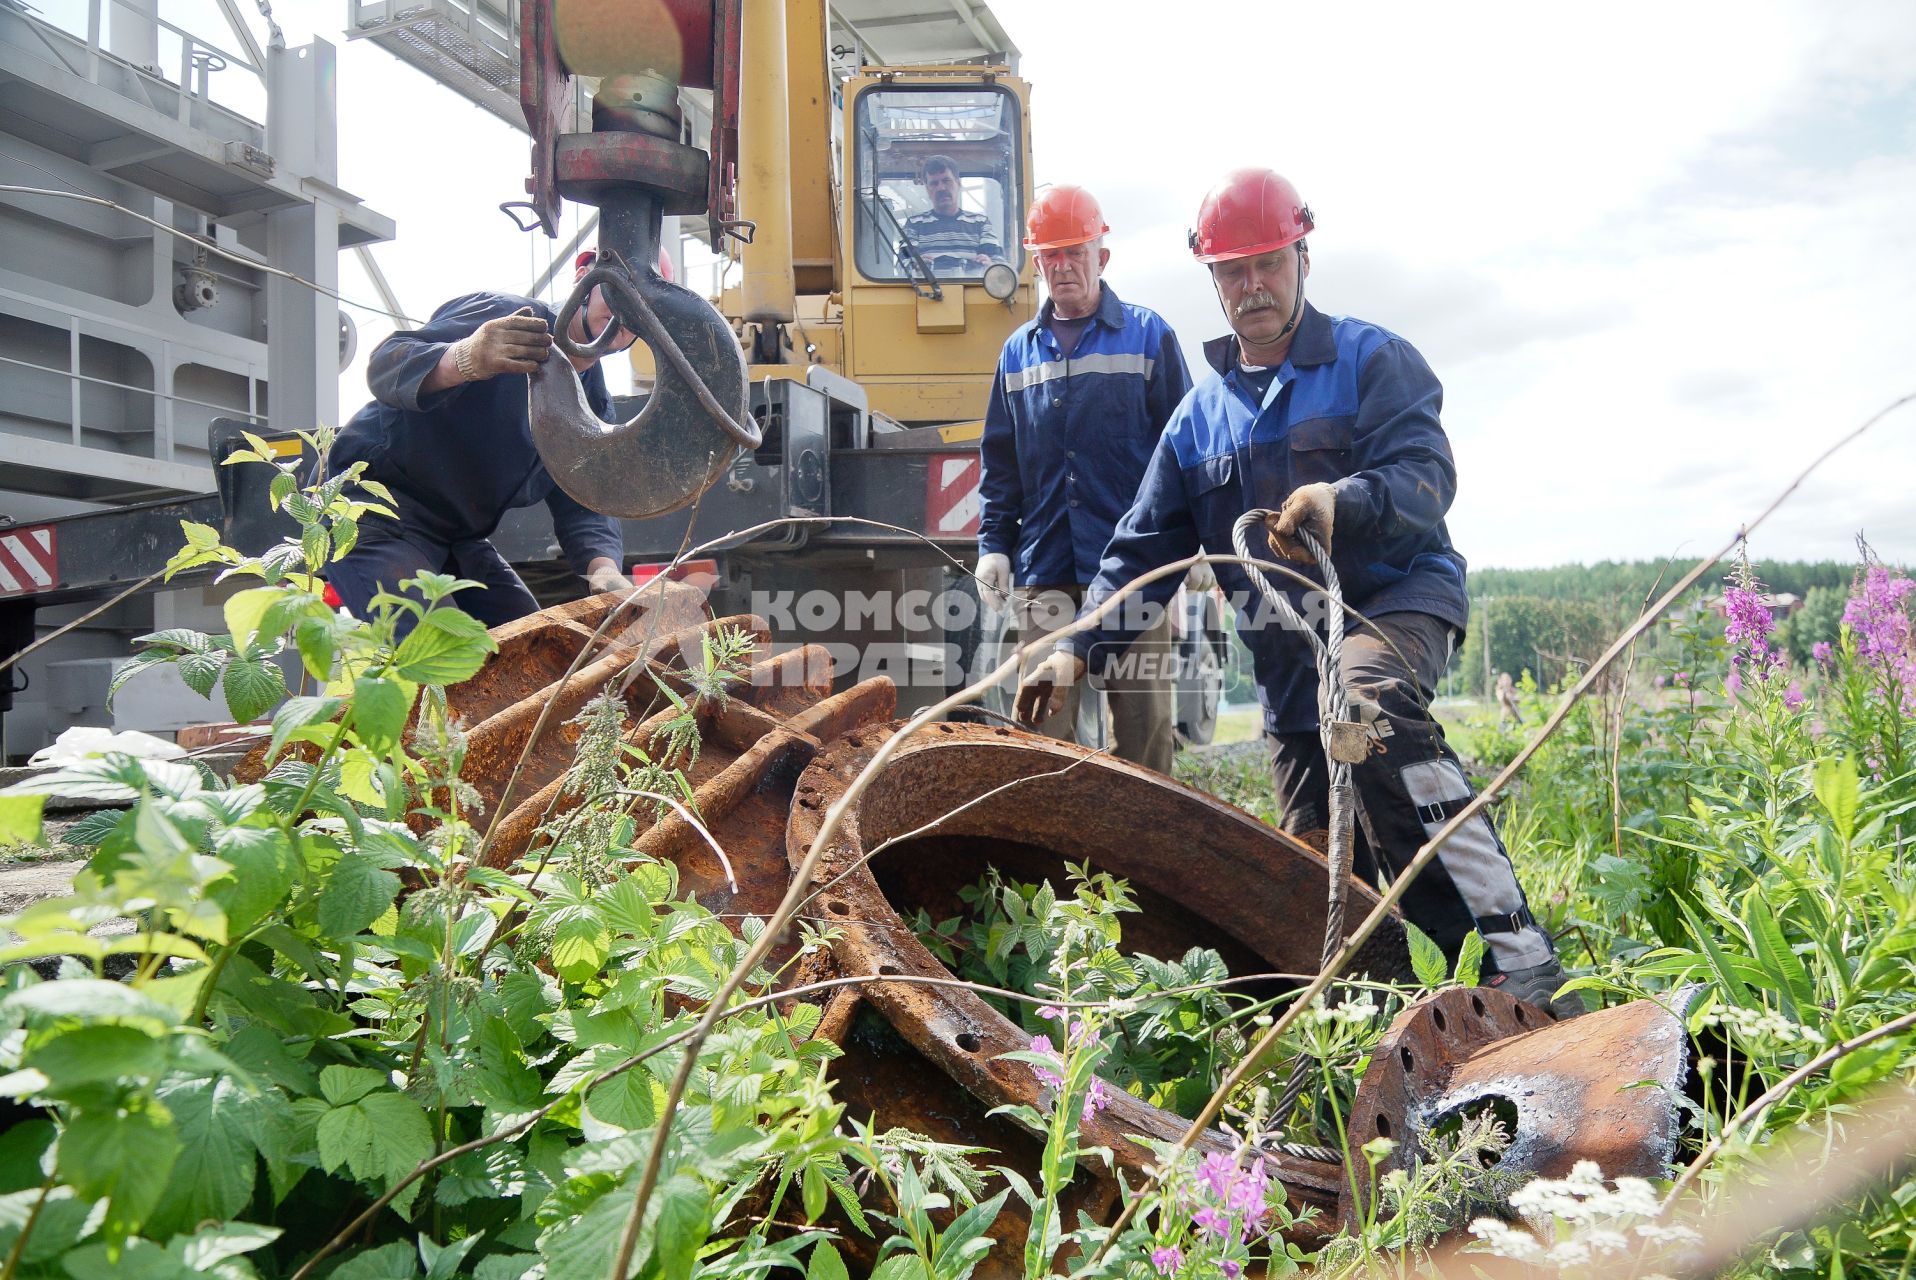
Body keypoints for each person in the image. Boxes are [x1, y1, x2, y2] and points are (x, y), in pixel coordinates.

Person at [1016, 168, 1580, 1017]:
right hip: (1289, 671)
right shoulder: (1198, 420)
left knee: (1366, 701)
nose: (1253, 287)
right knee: (1315, 872)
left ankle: (1516, 957)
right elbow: (1138, 552)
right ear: (1212, 281)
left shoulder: (1373, 360)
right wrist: (1073, 651)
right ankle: (1382, 1023)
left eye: (1268, 264)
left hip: (1391, 606)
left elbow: (1426, 475)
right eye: (1233, 272)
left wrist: (1342, 502)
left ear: (1302, 257)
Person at [976, 185, 1193, 773]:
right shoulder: (1017, 354)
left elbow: (1189, 454)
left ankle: (1141, 862)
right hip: (1045, 574)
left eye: (1076, 251)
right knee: (1044, 739)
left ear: (1103, 256)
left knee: (1145, 743)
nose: (1063, 265)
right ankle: (1054, 861)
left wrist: (1199, 546)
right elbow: (1001, 464)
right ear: (1037, 261)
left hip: (1133, 578)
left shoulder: (1150, 338)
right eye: (1051, 255)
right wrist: (994, 546)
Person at [327, 250, 637, 632]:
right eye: (618, 290)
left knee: (532, 649)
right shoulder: (505, 317)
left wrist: (604, 570)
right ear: (582, 280)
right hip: (372, 510)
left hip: (457, 538)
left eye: (643, 306)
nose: (626, 311)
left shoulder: (590, 404)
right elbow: (386, 363)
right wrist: (465, 357)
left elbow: (582, 498)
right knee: (435, 650)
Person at [900, 155, 1002, 274]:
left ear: (958, 183)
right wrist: (915, 265)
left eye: (946, 181)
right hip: (926, 292)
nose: (941, 188)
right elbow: (902, 266)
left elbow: (999, 264)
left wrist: (989, 264)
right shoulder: (914, 224)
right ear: (927, 189)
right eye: (934, 183)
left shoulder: (980, 223)